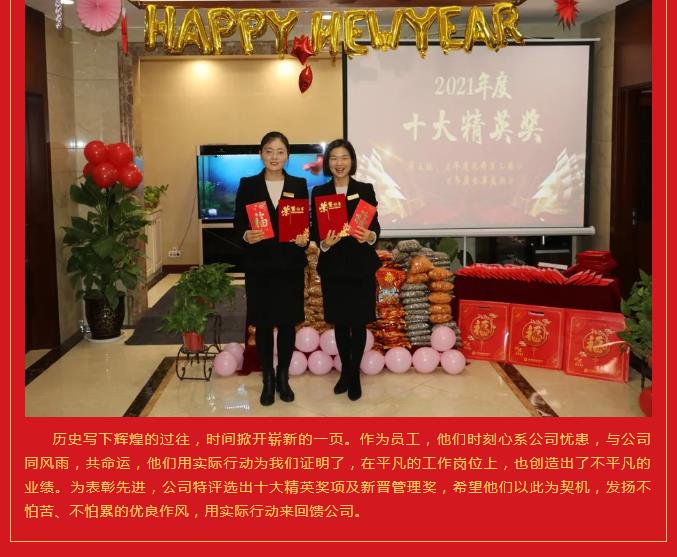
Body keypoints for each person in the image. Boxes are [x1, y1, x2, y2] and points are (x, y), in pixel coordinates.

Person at [234, 132, 308, 406]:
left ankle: (283, 378)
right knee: (264, 324)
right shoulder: (248, 184)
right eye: (269, 151)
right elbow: (238, 222)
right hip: (260, 265)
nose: (274, 157)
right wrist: (246, 235)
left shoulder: (299, 184)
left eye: (280, 151)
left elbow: (305, 223)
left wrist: (304, 237)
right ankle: (267, 378)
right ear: (261, 154)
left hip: (290, 265)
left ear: (288, 155)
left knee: (288, 324)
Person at [310, 139, 381, 401]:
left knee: (358, 322)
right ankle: (346, 372)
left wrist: (370, 236)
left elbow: (375, 227)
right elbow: (315, 230)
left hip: (361, 267)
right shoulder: (320, 192)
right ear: (328, 163)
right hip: (334, 268)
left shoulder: (364, 189)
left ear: (352, 161)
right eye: (334, 158)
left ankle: (354, 375)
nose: (339, 163)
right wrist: (324, 243)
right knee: (340, 322)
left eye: (344, 158)